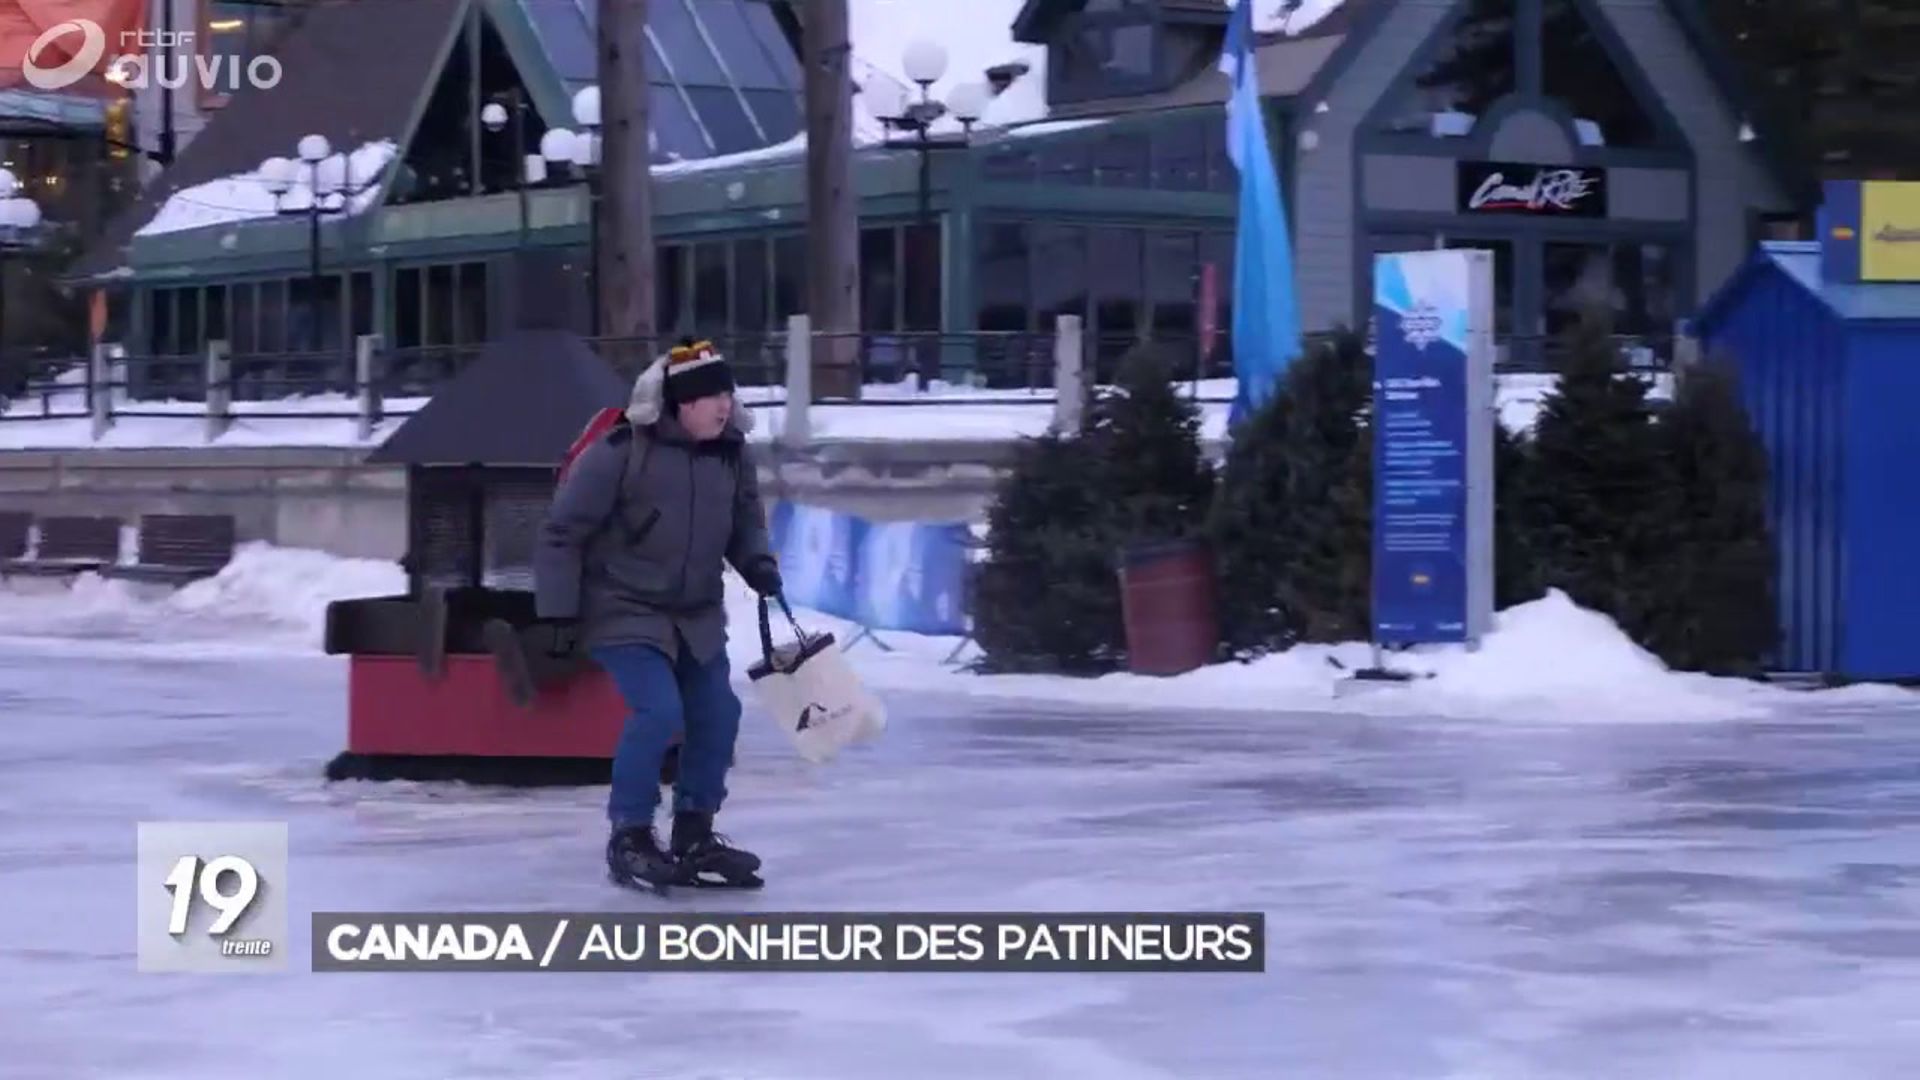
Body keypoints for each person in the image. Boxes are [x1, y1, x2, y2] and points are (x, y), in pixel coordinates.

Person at [531, 339, 783, 890]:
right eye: (710, 396)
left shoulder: (732, 453)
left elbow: (745, 524)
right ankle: (631, 834)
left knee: (718, 713)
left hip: (695, 612)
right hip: (623, 606)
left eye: (727, 393)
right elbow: (561, 533)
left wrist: (758, 563)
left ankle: (694, 832)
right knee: (659, 712)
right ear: (679, 403)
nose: (724, 405)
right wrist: (557, 612)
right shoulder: (621, 452)